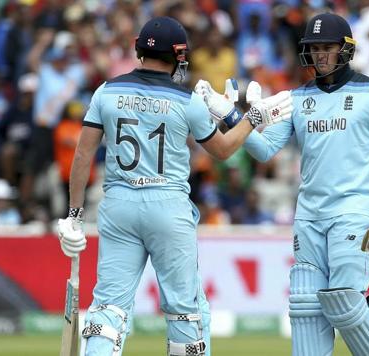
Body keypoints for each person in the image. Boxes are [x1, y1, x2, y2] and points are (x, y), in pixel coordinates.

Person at [56, 16, 292, 356]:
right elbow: (224, 151)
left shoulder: (106, 91)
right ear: (179, 56)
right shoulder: (187, 101)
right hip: (168, 207)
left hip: (119, 205)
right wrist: (253, 119)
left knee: (108, 311)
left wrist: (74, 215)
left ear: (139, 49)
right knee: (184, 313)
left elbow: (83, 154)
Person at [197, 13, 369, 356]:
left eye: (327, 47)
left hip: (352, 210)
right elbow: (265, 150)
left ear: (345, 50)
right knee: (304, 307)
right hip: (308, 215)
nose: (320, 55)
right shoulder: (297, 98)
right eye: (314, 49)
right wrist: (231, 117)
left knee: (344, 300)